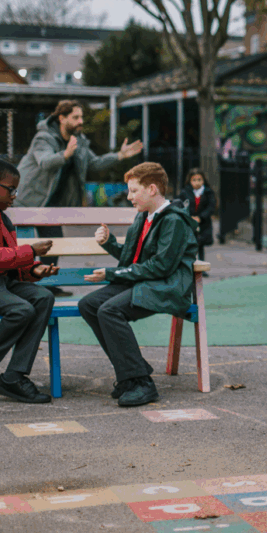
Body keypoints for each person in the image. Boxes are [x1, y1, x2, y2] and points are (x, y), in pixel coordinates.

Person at [77, 162, 198, 407]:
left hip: (166, 287)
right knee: (88, 304)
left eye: (134, 191)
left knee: (109, 310)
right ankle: (132, 371)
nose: (129, 197)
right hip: (146, 281)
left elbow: (162, 267)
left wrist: (111, 274)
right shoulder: (144, 217)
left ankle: (142, 382)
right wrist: (109, 242)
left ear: (152, 189)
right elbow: (131, 259)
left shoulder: (173, 221)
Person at [16, 100, 144, 295]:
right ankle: (22, 286)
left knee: (52, 245)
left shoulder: (79, 140)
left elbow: (94, 163)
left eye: (81, 117)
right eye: (75, 117)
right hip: (27, 202)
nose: (80, 121)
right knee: (23, 247)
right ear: (62, 118)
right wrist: (65, 154)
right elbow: (45, 162)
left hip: (53, 205)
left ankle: (48, 284)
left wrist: (119, 155)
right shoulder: (43, 138)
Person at [0, 159, 58, 404]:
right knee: (21, 310)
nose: (15, 196)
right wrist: (31, 251)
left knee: (43, 297)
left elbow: (10, 261)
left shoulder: (1, 217)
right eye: (11, 189)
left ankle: (14, 376)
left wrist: (35, 271)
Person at [179, 168, 216, 262]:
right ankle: (189, 265)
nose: (197, 182)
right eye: (194, 180)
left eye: (199, 180)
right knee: (189, 245)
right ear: (190, 181)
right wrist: (189, 217)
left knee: (201, 245)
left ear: (203, 180)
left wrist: (201, 217)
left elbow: (211, 206)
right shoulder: (185, 192)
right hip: (189, 222)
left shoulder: (208, 192)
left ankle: (202, 266)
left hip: (203, 223)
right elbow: (181, 205)